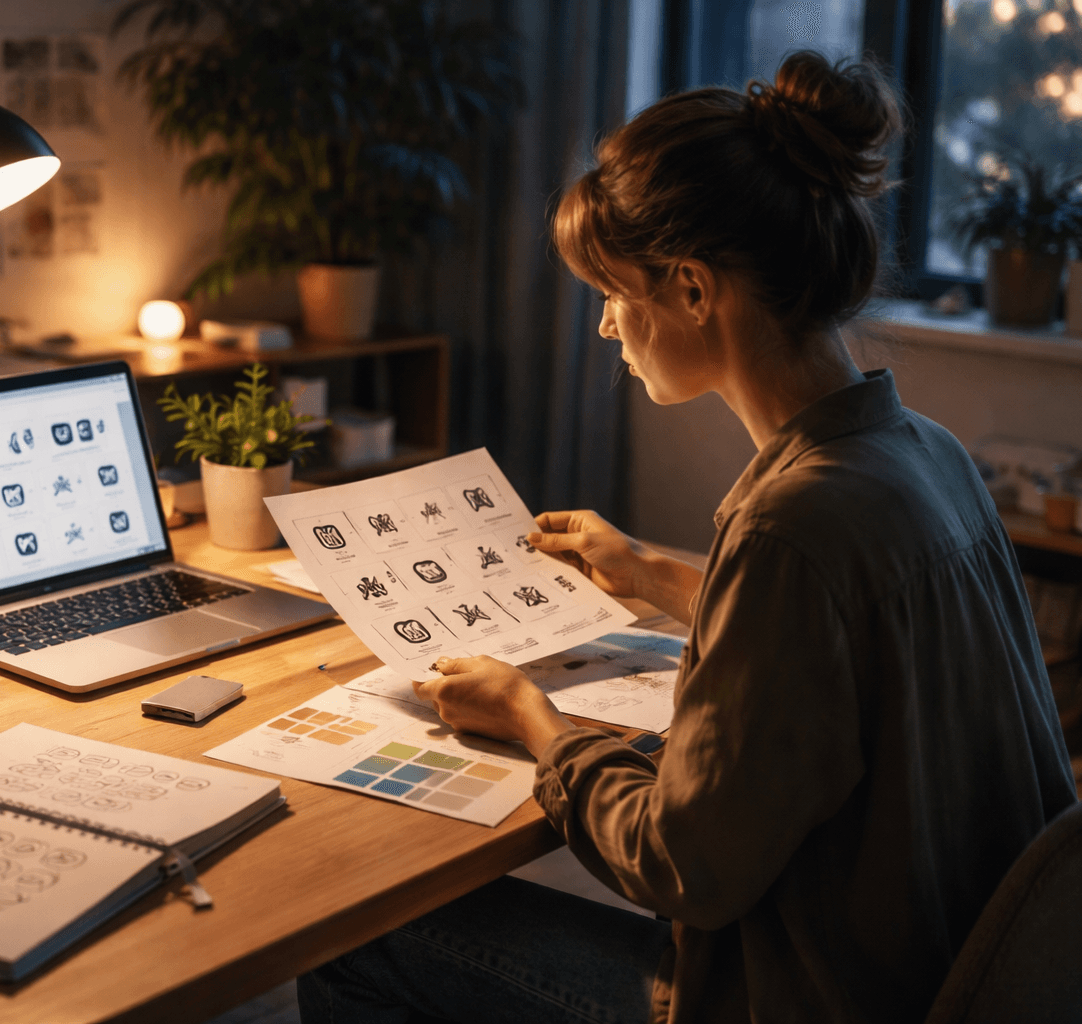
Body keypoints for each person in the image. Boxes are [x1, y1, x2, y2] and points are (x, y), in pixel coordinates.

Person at [297, 51, 1076, 1024]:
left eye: (613, 292)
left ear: (696, 291)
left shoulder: (793, 529)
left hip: (796, 998)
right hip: (941, 968)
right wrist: (649, 571)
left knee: (357, 943)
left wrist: (536, 721)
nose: (606, 328)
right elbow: (846, 646)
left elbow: (681, 864)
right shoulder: (924, 453)